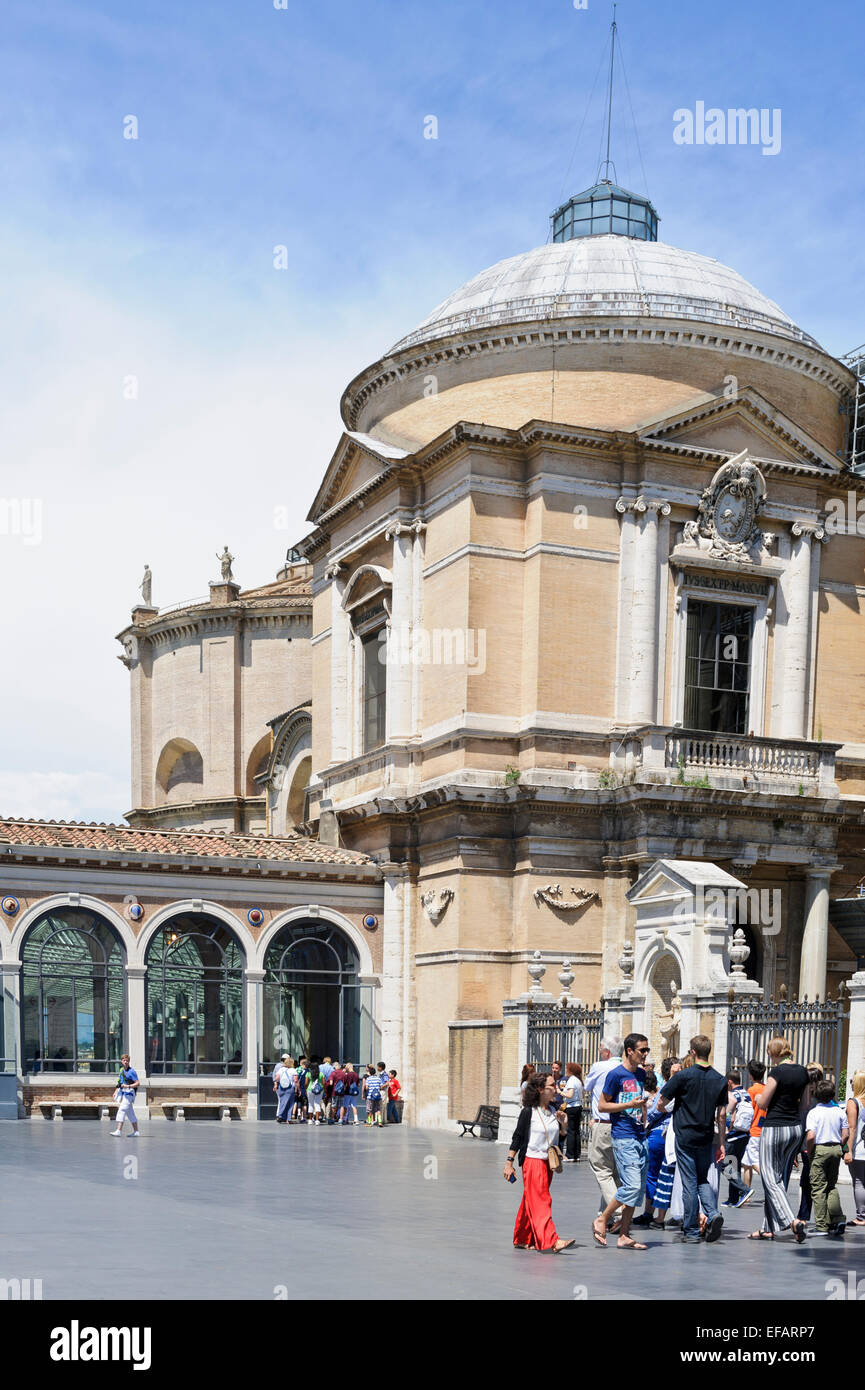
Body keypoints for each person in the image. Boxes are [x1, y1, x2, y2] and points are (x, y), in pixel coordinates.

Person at [656, 1034, 727, 1244]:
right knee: (702, 1178)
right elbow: (721, 1115)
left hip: (685, 1134)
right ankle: (712, 1213)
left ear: (693, 1052)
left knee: (689, 1183)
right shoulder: (720, 1079)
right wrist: (721, 1143)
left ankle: (692, 1231)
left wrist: (661, 1108)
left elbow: (662, 1101)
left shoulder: (684, 1076)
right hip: (706, 1135)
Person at [592, 1033, 651, 1251]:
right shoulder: (615, 1075)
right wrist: (628, 1106)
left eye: (647, 1050)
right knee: (632, 1185)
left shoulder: (641, 1075)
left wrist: (643, 1111)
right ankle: (603, 1218)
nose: (645, 1054)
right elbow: (603, 1106)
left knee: (638, 1190)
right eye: (642, 1050)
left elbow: (638, 1100)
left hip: (639, 1135)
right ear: (629, 1051)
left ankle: (624, 1235)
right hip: (623, 1136)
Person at [503, 1072, 574, 1253]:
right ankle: (551, 1240)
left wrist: (563, 1126)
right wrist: (509, 1162)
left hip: (548, 1163)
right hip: (532, 1161)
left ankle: (521, 1237)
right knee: (542, 1200)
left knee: (531, 1199)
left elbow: (558, 1139)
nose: (557, 1089)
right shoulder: (528, 1112)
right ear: (541, 1089)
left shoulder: (553, 1110)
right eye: (552, 1086)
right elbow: (518, 1137)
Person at [749, 1037, 810, 1242]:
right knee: (778, 1178)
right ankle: (767, 1228)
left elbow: (764, 1102)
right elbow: (805, 1105)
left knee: (769, 1176)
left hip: (775, 1127)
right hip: (795, 1128)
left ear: (774, 1052)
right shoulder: (803, 1071)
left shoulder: (777, 1072)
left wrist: (758, 1099)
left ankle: (792, 1221)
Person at [584, 1036, 624, 1224]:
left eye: (601, 1049)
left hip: (604, 1122)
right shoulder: (628, 1068)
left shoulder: (599, 1067)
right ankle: (604, 1214)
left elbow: (586, 1087)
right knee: (615, 1171)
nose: (600, 1052)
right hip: (623, 1125)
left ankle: (619, 1210)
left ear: (607, 1051)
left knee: (601, 1169)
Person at [805, 1078, 849, 1235]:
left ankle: (821, 1225)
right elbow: (845, 1134)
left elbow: (811, 1136)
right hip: (835, 1149)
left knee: (818, 1188)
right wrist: (839, 1145)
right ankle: (838, 1219)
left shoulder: (814, 1113)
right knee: (831, 1185)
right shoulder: (839, 1112)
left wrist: (810, 1151)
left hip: (820, 1150)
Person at [722, 1070, 754, 1208]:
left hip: (733, 1135)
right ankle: (733, 1199)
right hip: (745, 1134)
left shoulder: (732, 1095)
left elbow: (728, 1116)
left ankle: (744, 1190)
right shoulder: (746, 1094)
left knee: (725, 1165)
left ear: (729, 1081)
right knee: (735, 1165)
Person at [742, 1058, 767, 1192]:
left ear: (751, 1075)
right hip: (763, 1129)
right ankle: (746, 1191)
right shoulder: (766, 1089)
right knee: (746, 1163)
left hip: (753, 1131)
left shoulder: (751, 1091)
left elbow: (747, 1112)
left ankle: (771, 1185)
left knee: (755, 1161)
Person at [845, 1069, 865, 1226]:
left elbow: (852, 1128)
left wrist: (848, 1150)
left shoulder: (854, 1102)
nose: (850, 1083)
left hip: (859, 1148)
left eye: (852, 1081)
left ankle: (861, 1216)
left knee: (858, 1181)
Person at [110, 1053, 140, 1137]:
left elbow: (138, 1083)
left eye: (127, 1060)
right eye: (124, 1060)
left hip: (130, 1094)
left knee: (122, 1110)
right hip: (124, 1094)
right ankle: (136, 1131)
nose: (126, 1062)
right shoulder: (122, 1070)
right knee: (130, 1113)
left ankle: (119, 1130)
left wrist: (128, 1086)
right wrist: (116, 1091)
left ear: (129, 1061)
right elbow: (120, 1083)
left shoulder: (132, 1071)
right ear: (121, 1061)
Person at [561, 1062, 584, 1162]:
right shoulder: (579, 1081)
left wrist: (560, 1092)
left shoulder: (571, 1080)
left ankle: (570, 1155)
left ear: (571, 1071)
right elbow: (582, 1094)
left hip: (571, 1107)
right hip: (578, 1106)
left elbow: (569, 1095)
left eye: (567, 1069)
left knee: (570, 1131)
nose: (566, 1071)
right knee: (576, 1131)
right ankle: (576, 1154)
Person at [275, 1054, 298, 1124]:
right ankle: (287, 1118)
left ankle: (280, 1115)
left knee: (282, 1102)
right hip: (290, 1089)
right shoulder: (293, 1070)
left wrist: (276, 1085)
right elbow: (296, 1080)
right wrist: (298, 1088)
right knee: (290, 1104)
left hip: (281, 1088)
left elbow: (276, 1078)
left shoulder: (281, 1069)